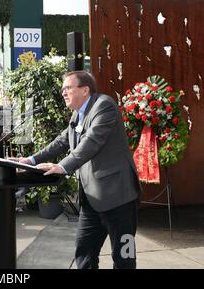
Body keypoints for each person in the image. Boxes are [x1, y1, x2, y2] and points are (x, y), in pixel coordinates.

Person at [14, 71, 141, 269]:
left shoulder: (104, 106)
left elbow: (91, 142)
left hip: (119, 197)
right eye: (63, 89)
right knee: (84, 254)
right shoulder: (77, 113)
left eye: (68, 88)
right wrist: (31, 160)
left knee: (124, 257)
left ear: (85, 89)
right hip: (91, 200)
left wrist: (63, 166)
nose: (63, 92)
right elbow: (62, 141)